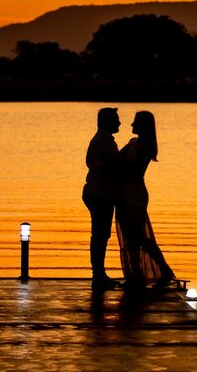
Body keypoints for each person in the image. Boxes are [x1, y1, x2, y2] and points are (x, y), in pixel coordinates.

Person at [115, 110, 176, 290]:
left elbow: (132, 170)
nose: (132, 125)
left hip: (134, 194)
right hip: (124, 193)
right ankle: (136, 275)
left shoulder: (145, 148)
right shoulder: (133, 143)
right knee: (130, 237)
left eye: (135, 122)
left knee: (139, 237)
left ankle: (163, 271)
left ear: (143, 125)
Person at [82, 107, 121, 290]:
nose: (119, 123)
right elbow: (102, 167)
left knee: (101, 234)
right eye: (116, 119)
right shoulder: (102, 142)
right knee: (99, 234)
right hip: (99, 193)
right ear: (107, 122)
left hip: (99, 192)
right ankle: (98, 275)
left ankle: (99, 274)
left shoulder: (102, 140)